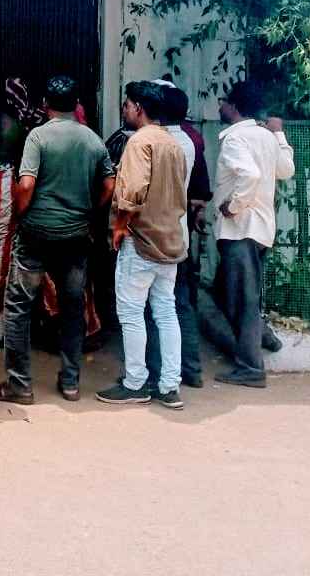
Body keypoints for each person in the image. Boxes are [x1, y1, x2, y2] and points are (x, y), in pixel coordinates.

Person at [0, 74, 114, 404]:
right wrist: (90, 210)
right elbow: (109, 185)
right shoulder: (92, 140)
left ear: (45, 105)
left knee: (19, 306)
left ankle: (20, 385)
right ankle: (70, 382)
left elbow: (26, 184)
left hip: (36, 234)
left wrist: (21, 213)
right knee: (73, 307)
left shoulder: (38, 136)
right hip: (75, 235)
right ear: (77, 104)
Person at [96, 81, 188, 410]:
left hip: (141, 239)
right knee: (166, 311)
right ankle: (170, 385)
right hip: (170, 239)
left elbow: (132, 191)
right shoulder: (174, 143)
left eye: (126, 105)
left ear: (138, 108)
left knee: (132, 313)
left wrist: (120, 226)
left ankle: (135, 382)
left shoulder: (139, 142)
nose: (124, 110)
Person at [212, 79, 295, 388]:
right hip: (260, 229)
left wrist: (233, 206)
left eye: (223, 100)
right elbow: (286, 170)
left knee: (241, 300)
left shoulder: (235, 138)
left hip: (241, 229)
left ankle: (251, 367)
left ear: (234, 106)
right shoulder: (266, 136)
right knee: (230, 293)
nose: (220, 105)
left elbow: (250, 174)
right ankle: (264, 336)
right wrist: (279, 134)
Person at [144, 81, 205, 389]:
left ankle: (155, 373)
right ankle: (190, 369)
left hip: (156, 235)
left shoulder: (157, 142)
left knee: (154, 307)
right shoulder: (190, 141)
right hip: (179, 234)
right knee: (179, 303)